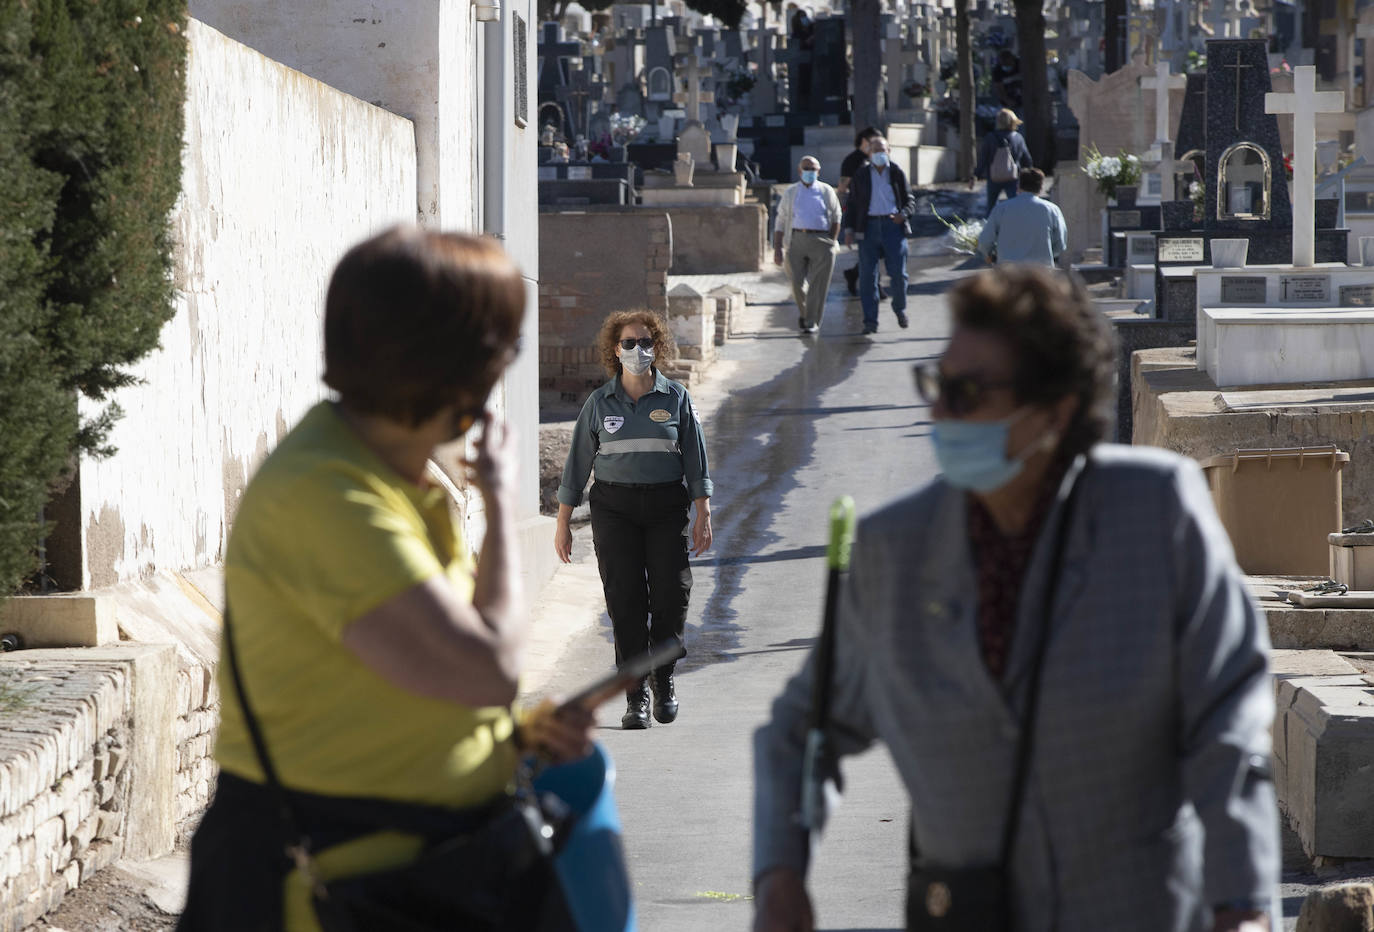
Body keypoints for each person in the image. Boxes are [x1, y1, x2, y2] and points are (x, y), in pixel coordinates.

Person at [753, 265, 1279, 932]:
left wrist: (1243, 904)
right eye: (938, 385)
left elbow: (1228, 721)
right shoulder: (895, 552)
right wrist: (780, 876)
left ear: (1056, 410)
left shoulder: (1154, 513)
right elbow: (801, 731)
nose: (940, 412)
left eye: (967, 393)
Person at [179, 228, 596, 932]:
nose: (505, 369)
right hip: (326, 888)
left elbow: (400, 688)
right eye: (505, 349)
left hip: (405, 877)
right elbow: (487, 668)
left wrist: (515, 741)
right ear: (458, 367)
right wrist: (502, 504)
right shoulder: (329, 493)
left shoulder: (392, 476)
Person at [555, 311, 713, 729]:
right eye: (629, 343)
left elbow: (696, 458)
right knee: (625, 601)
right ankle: (635, 695)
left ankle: (663, 677)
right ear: (615, 349)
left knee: (671, 594)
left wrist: (703, 510)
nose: (638, 350)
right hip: (615, 508)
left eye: (645, 342)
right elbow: (576, 466)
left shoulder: (675, 397)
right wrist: (563, 521)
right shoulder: (599, 403)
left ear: (656, 347)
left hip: (665, 506)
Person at [842, 135, 916, 335]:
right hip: (868, 228)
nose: (879, 154)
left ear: (889, 151)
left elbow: (910, 201)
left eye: (882, 150)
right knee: (867, 277)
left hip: (893, 227)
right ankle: (870, 322)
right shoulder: (861, 174)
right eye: (875, 151)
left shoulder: (897, 172)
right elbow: (852, 204)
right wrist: (849, 230)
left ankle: (899, 309)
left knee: (899, 275)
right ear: (869, 153)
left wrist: (903, 215)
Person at [774, 155, 842, 334]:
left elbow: (837, 216)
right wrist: (777, 248)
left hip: (822, 240)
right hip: (796, 240)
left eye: (813, 169)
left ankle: (812, 322)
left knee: (818, 285)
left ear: (818, 171)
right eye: (806, 168)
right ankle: (806, 313)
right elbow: (780, 220)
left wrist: (831, 241)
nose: (810, 172)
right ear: (799, 171)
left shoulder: (826, 191)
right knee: (796, 283)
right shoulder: (791, 192)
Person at [976, 168, 1068, 268]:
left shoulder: (1001, 209)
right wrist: (1048, 252)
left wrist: (990, 255)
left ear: (1019, 186)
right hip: (1041, 271)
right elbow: (1061, 242)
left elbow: (985, 241)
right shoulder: (1052, 209)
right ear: (1041, 187)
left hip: (1008, 270)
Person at [839, 126, 881, 297]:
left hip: (877, 209)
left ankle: (855, 273)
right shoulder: (853, 160)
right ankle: (874, 285)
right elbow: (843, 188)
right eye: (873, 141)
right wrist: (846, 212)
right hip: (859, 211)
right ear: (864, 141)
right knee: (870, 248)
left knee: (876, 248)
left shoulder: (874, 159)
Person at [975, 108, 1035, 213]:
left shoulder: (990, 137)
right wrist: (1030, 176)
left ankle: (991, 223)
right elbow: (1027, 159)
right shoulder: (1018, 138)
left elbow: (983, 158)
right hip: (1013, 177)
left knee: (991, 208)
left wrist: (976, 175)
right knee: (1015, 207)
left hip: (994, 177)